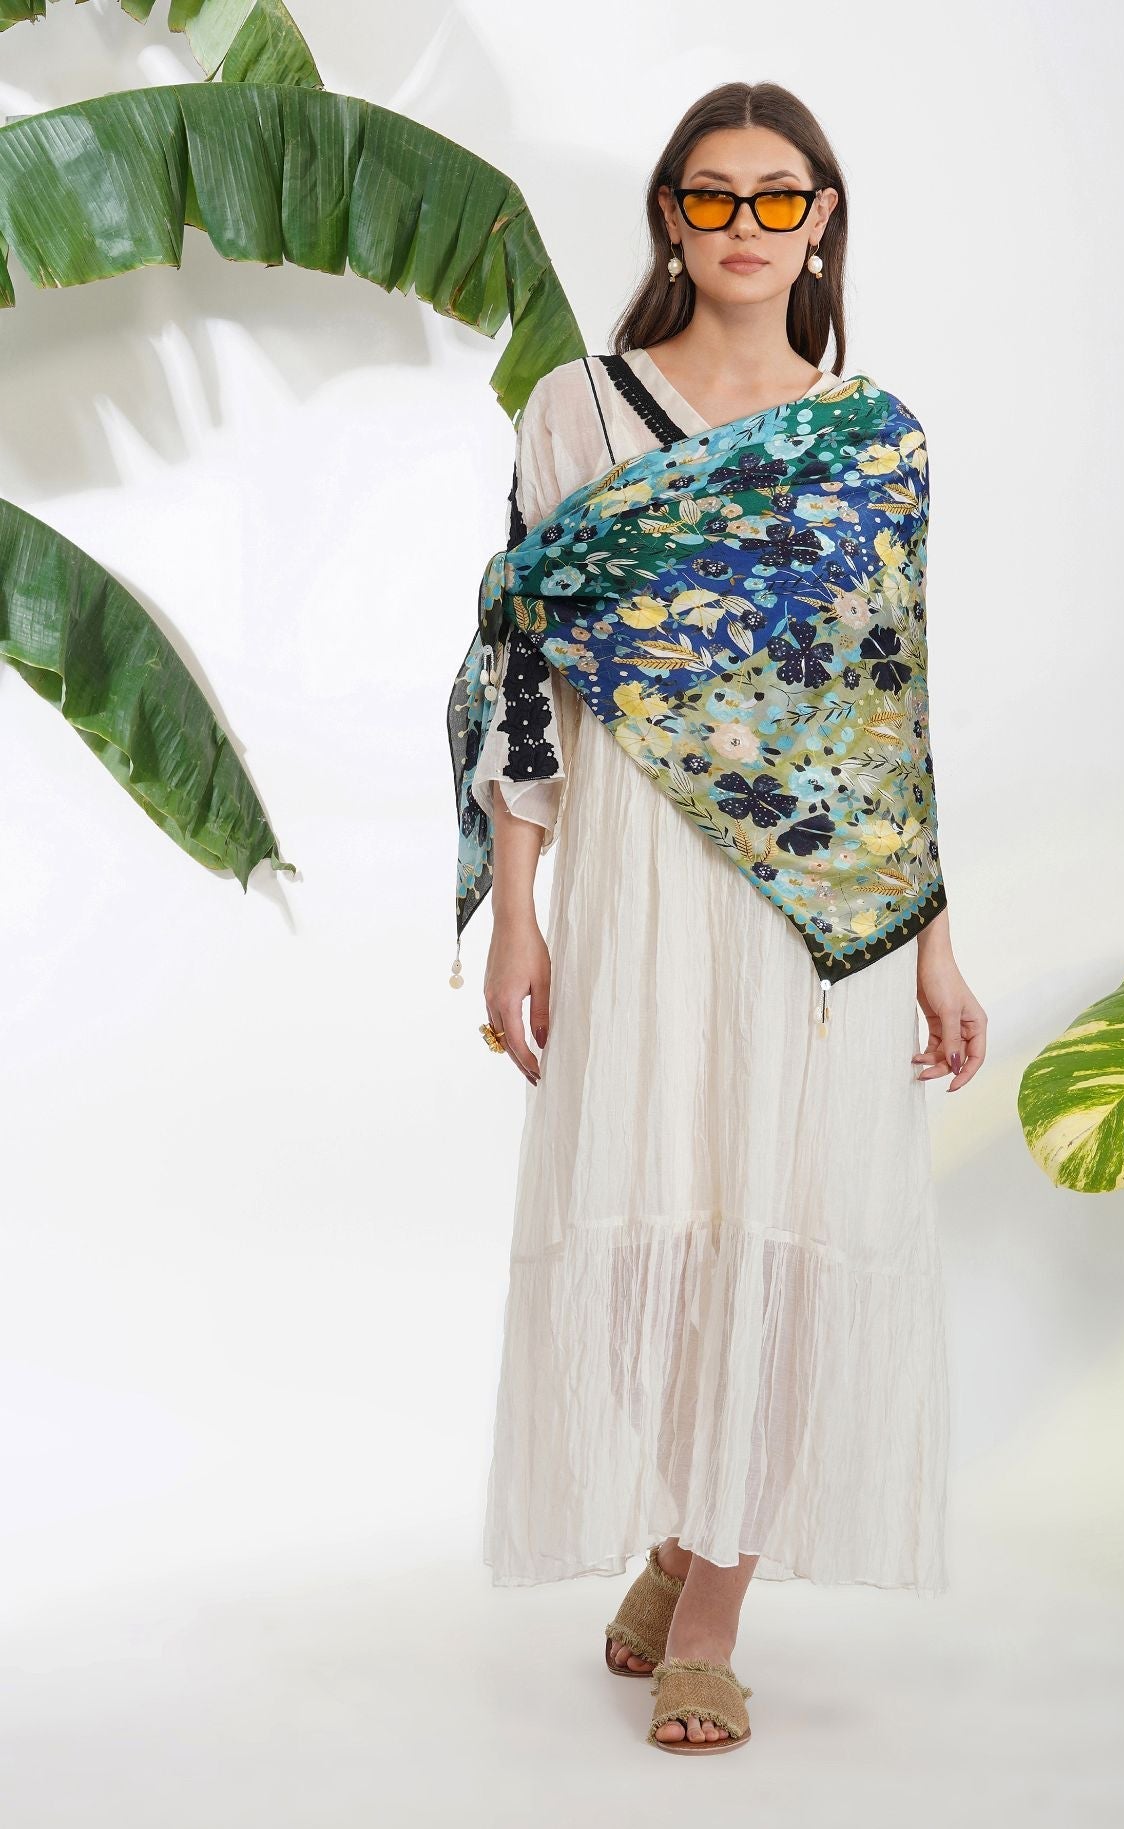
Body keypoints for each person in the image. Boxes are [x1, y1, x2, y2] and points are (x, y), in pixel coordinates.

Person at [455, 79, 987, 1754]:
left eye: (777, 196)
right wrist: (517, 911)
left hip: (816, 919)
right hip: (637, 875)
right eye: (711, 195)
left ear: (821, 219)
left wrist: (936, 941)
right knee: (665, 1209)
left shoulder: (874, 440)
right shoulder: (579, 412)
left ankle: (710, 1612)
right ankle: (682, 1534)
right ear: (671, 219)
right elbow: (526, 672)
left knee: (788, 1218)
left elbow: (887, 714)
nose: (744, 225)